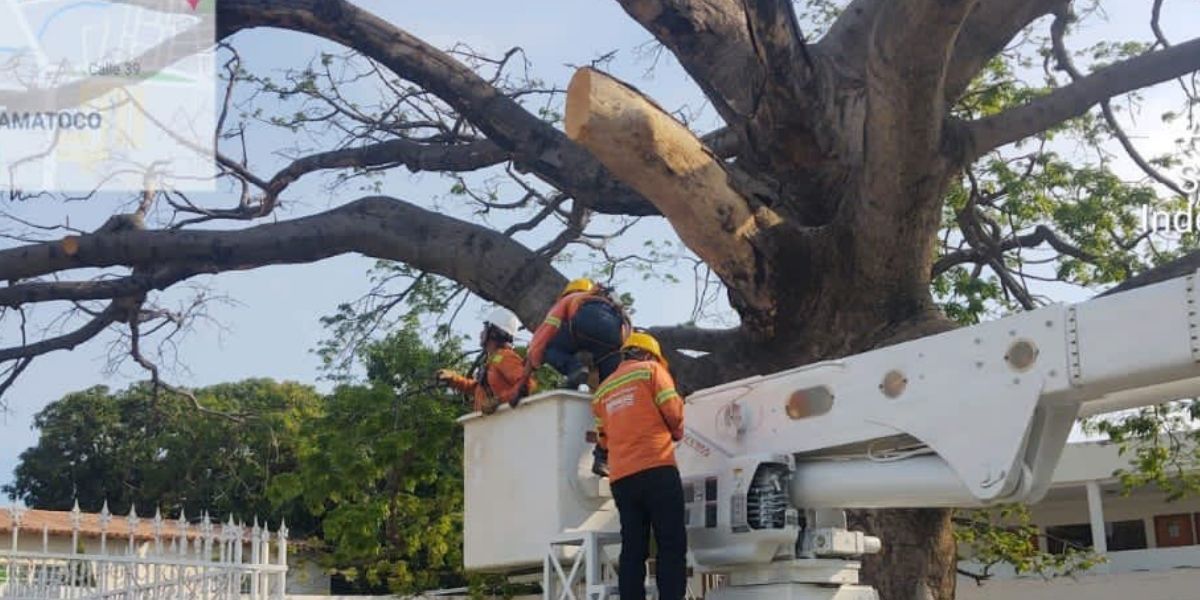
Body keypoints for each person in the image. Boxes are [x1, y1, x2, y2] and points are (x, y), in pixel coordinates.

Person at [592, 332, 687, 600]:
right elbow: (673, 412)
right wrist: (676, 433)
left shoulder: (603, 391)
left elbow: (604, 439)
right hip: (657, 466)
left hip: (622, 478)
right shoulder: (651, 371)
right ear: (648, 354)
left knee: (633, 548)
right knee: (671, 544)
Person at [525, 278, 630, 389]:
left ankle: (575, 369)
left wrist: (535, 358)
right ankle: (609, 392)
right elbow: (627, 326)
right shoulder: (609, 304)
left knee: (549, 346)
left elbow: (547, 330)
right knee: (609, 383)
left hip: (585, 325)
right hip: (615, 337)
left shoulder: (570, 298)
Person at [436, 307, 535, 415]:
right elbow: (478, 390)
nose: (481, 334)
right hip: (490, 426)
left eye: (484, 329)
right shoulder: (492, 360)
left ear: (493, 333)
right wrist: (453, 379)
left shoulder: (505, 357)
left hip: (505, 423)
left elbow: (526, 385)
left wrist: (499, 400)